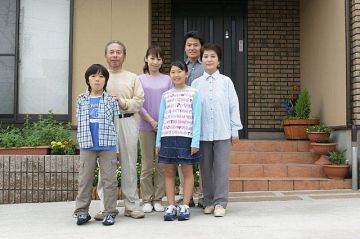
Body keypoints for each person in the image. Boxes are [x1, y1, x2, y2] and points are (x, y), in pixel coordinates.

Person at [94, 40, 145, 220]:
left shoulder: (132, 77)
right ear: (105, 55)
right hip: (105, 123)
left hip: (127, 121)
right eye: (111, 52)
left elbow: (139, 101)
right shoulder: (98, 76)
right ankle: (105, 206)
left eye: (118, 52)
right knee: (105, 166)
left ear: (124, 55)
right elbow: (90, 97)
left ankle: (131, 205)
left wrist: (122, 102)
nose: (115, 55)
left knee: (130, 164)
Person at [192, 43, 242, 217]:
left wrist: (235, 130)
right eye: (205, 56)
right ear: (201, 59)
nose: (209, 59)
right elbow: (193, 109)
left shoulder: (226, 82)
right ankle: (208, 201)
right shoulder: (196, 83)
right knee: (204, 168)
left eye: (213, 56)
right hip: (203, 133)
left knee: (221, 168)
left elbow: (233, 106)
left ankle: (221, 202)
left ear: (218, 60)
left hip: (222, 131)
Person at [73, 64, 120, 226]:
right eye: (93, 76)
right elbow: (80, 123)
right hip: (87, 145)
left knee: (109, 181)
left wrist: (117, 148)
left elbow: (116, 124)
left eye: (101, 76)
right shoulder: (81, 100)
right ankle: (82, 212)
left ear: (106, 80)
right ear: (88, 79)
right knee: (84, 180)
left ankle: (110, 212)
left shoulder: (111, 101)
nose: (97, 79)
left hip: (107, 145)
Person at [156, 60, 201, 221]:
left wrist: (195, 141)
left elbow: (197, 119)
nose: (176, 75)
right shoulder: (166, 95)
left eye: (179, 71)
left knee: (187, 171)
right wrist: (158, 142)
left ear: (186, 74)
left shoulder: (194, 93)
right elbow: (161, 120)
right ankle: (170, 205)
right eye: (173, 72)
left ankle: (185, 205)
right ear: (170, 75)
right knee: (169, 172)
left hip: (186, 138)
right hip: (168, 136)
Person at [138, 45, 172, 213]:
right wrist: (151, 121)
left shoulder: (167, 79)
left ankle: (158, 198)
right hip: (145, 126)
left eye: (159, 59)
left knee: (160, 164)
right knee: (146, 164)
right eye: (152, 58)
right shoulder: (139, 79)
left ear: (162, 61)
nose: (155, 62)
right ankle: (146, 199)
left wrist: (163, 122)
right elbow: (138, 104)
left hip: (164, 127)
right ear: (146, 59)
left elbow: (171, 100)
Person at [177, 30, 205, 208]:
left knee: (202, 158)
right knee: (182, 158)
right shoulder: (180, 66)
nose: (192, 48)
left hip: (201, 119)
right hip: (183, 119)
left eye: (195, 44)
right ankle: (183, 194)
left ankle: (203, 194)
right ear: (185, 47)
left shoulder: (207, 66)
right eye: (189, 45)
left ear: (201, 47)